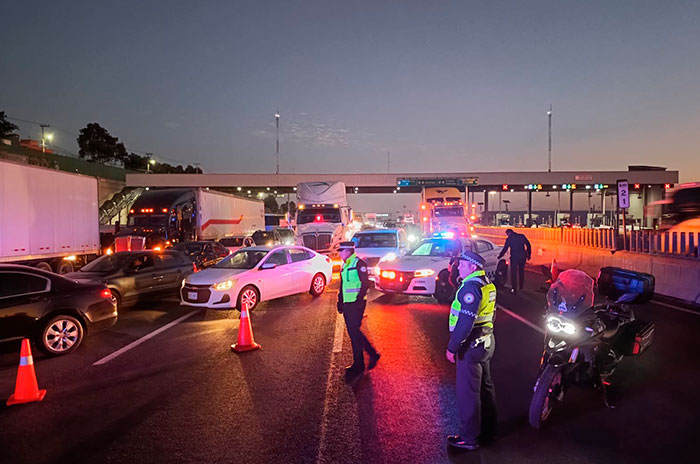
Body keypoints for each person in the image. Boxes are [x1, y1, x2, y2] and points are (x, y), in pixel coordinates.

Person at [446, 250, 497, 451]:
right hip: (486, 341)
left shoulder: (471, 287)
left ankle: (469, 438)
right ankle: (489, 431)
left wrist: (453, 347)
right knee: (485, 388)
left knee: (469, 393)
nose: (458, 267)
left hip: (471, 345)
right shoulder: (487, 284)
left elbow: (465, 322)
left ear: (473, 267)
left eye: (462, 264)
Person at [337, 241, 380, 380]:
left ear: (348, 251)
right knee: (354, 333)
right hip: (348, 303)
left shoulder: (358, 263)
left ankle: (361, 362)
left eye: (341, 250)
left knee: (354, 333)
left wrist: (358, 299)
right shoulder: (345, 264)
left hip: (356, 303)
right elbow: (343, 284)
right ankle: (364, 359)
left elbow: (365, 283)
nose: (339, 253)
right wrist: (340, 300)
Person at [498, 229, 532, 294]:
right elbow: (528, 245)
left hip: (514, 257)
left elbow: (505, 248)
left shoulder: (509, 239)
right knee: (521, 271)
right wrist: (529, 254)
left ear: (509, 233)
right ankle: (521, 287)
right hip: (522, 256)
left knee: (513, 273)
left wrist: (500, 256)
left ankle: (514, 289)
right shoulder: (521, 236)